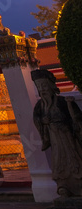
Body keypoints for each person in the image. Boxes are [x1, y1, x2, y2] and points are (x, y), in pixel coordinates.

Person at [32, 69, 82, 197]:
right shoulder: (39, 106)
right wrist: (43, 121)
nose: (42, 89)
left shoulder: (63, 102)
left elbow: (76, 119)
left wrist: (74, 121)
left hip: (67, 136)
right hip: (54, 138)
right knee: (59, 161)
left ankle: (78, 184)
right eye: (39, 87)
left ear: (50, 86)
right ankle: (63, 185)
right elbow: (37, 119)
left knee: (74, 158)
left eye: (44, 86)